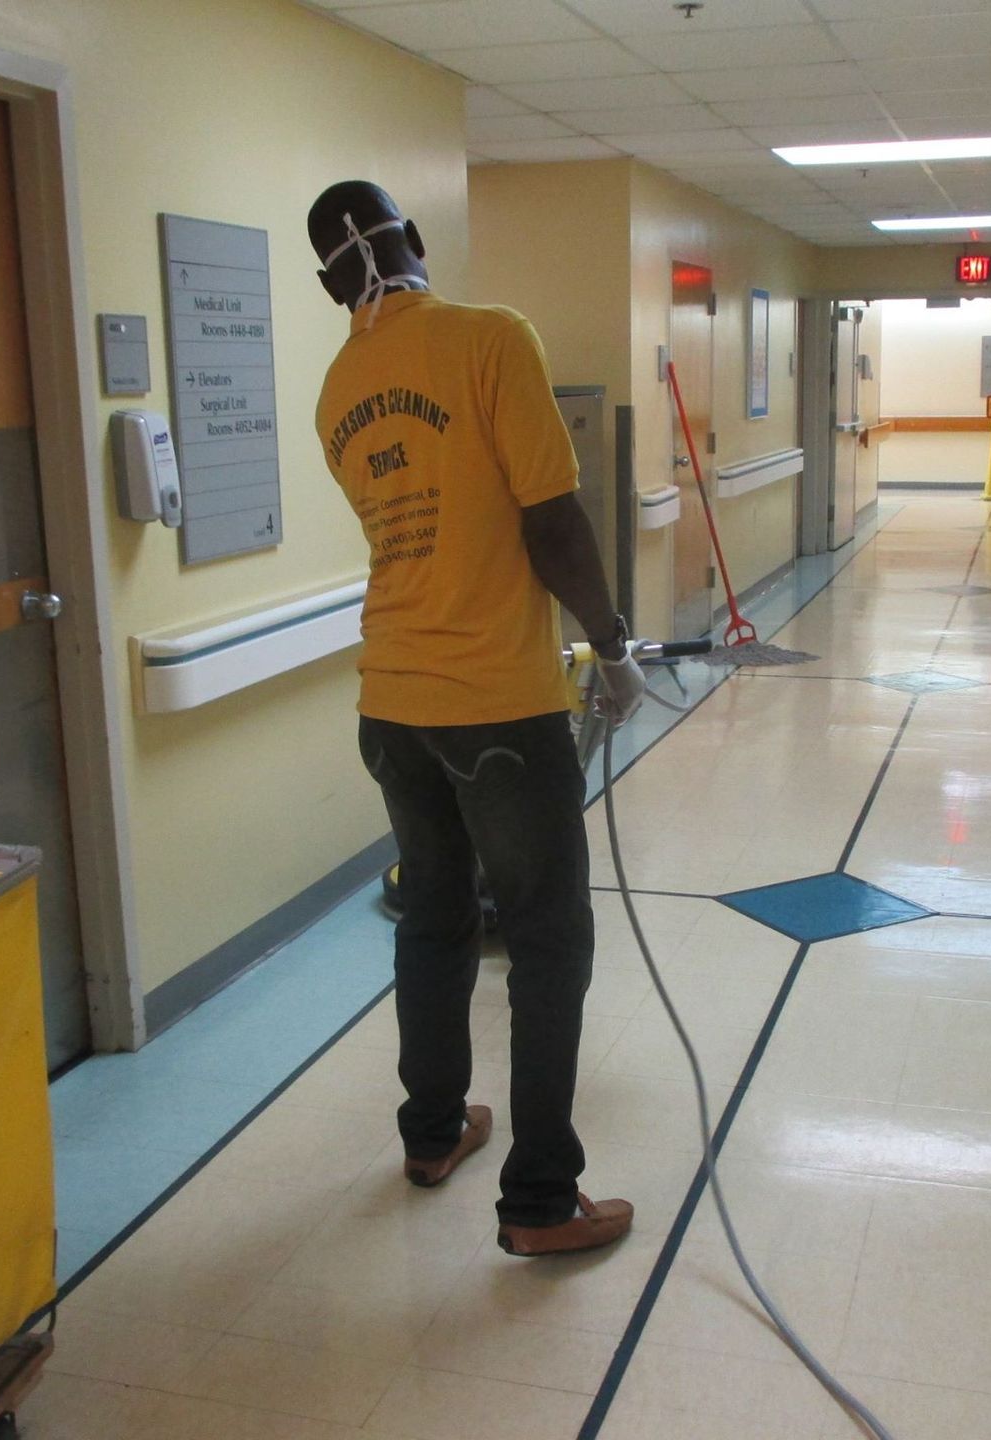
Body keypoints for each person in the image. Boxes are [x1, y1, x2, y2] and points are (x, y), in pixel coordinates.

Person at [308, 180, 645, 1257]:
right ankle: (541, 1197)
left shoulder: (336, 391)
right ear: (412, 242)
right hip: (499, 707)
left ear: (331, 286)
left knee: (436, 921)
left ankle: (434, 1129)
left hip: (391, 703)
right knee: (549, 942)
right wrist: (614, 639)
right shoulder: (493, 339)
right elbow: (550, 520)